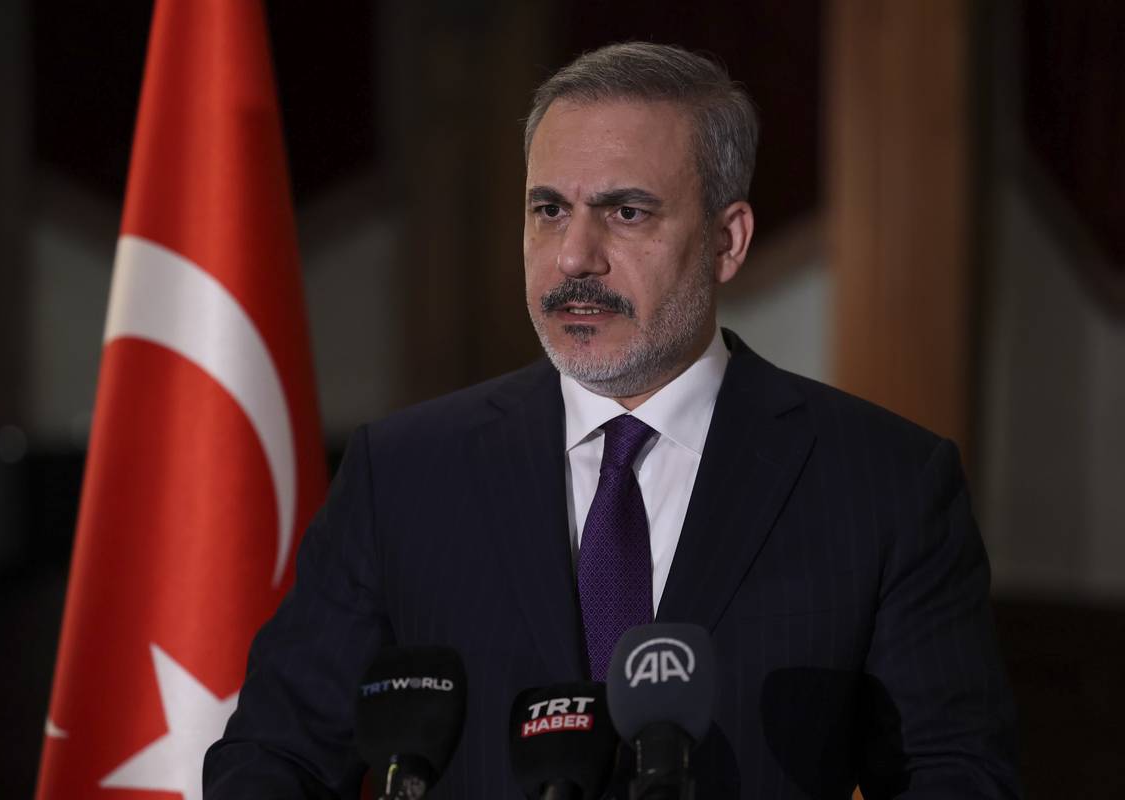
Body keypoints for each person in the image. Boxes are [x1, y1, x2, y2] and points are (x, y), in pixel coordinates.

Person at [205, 42, 1020, 799]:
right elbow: (270, 758)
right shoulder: (406, 473)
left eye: (626, 213)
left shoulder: (884, 483)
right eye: (549, 210)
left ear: (728, 242)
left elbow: (957, 775)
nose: (573, 257)